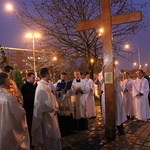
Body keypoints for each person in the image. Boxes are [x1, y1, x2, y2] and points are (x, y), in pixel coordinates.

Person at [31, 68, 62, 150]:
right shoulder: (41, 87)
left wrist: (56, 105)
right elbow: (45, 104)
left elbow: (51, 98)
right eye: (50, 73)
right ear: (46, 74)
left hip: (50, 115)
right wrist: (54, 108)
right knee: (48, 138)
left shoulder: (45, 85)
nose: (51, 75)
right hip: (46, 117)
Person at [0, 72, 29, 150]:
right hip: (8, 131)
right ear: (6, 81)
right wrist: (20, 105)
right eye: (9, 80)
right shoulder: (8, 98)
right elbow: (20, 114)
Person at [97, 66, 127, 136]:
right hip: (106, 94)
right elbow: (101, 80)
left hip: (116, 94)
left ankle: (120, 128)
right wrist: (103, 71)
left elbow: (118, 76)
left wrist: (114, 68)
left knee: (118, 112)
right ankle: (109, 128)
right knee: (107, 112)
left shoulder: (116, 70)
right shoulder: (101, 72)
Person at [21, 72, 37, 147]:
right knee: (30, 126)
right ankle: (30, 143)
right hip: (29, 109)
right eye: (33, 78)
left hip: (33, 109)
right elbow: (29, 98)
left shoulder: (32, 86)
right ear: (28, 78)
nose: (34, 79)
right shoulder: (24, 87)